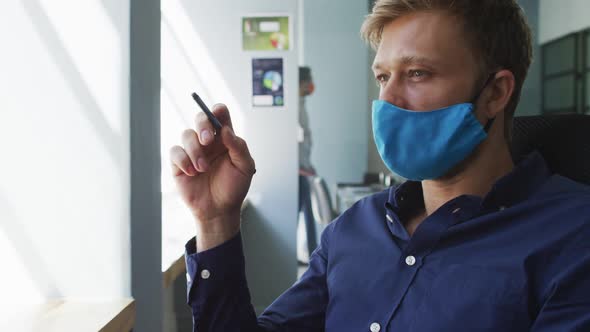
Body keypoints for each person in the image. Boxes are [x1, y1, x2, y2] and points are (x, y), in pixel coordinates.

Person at [169, 0, 590, 330]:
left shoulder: (573, 238)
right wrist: (216, 219)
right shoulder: (354, 228)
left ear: (495, 93)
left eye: (418, 73)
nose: (387, 102)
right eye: (383, 77)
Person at [298, 66, 318, 262]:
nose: (311, 85)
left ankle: (313, 253)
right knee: (305, 212)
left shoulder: (301, 104)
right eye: (308, 80)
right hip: (298, 171)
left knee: (307, 211)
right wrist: (299, 166)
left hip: (304, 168)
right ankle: (312, 254)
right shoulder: (294, 107)